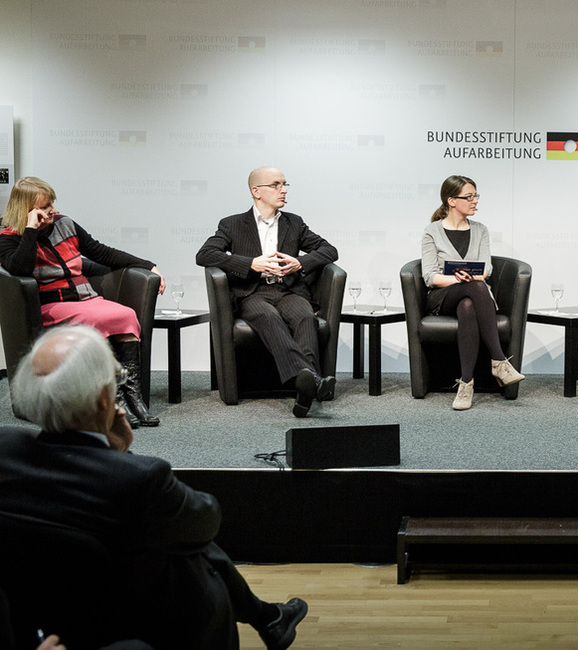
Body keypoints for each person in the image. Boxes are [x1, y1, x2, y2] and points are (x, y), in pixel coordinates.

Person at [0, 324, 308, 650]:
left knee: (165, 529)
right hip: (135, 623)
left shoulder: (5, 449)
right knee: (180, 546)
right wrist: (120, 454)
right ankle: (265, 617)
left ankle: (268, 617)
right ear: (103, 400)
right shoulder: (141, 478)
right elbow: (206, 520)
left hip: (42, 617)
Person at [0, 176, 164, 428]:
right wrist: (31, 231)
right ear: (27, 210)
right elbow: (20, 268)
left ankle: (134, 398)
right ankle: (114, 401)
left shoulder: (65, 224)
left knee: (126, 315)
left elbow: (102, 252)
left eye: (52, 203)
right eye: (45, 207)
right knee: (97, 319)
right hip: (50, 306)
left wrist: (148, 265)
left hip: (88, 299)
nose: (52, 210)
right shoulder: (8, 237)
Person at [197, 166, 338, 418]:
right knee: (268, 317)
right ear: (256, 191)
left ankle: (306, 388)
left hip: (288, 290)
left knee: (306, 316)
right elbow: (205, 255)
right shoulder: (232, 224)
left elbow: (329, 250)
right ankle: (311, 380)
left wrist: (300, 263)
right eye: (275, 185)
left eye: (284, 184)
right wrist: (250, 263)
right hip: (253, 293)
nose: (283, 190)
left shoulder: (294, 223)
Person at [421, 174, 524, 410]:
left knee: (468, 305)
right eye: (469, 197)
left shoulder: (480, 230)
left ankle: (466, 384)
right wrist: (455, 278)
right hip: (442, 297)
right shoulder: (432, 231)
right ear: (451, 201)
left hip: (471, 294)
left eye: (476, 195)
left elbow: (487, 266)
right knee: (474, 289)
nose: (475, 201)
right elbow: (429, 276)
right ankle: (498, 361)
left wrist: (479, 275)